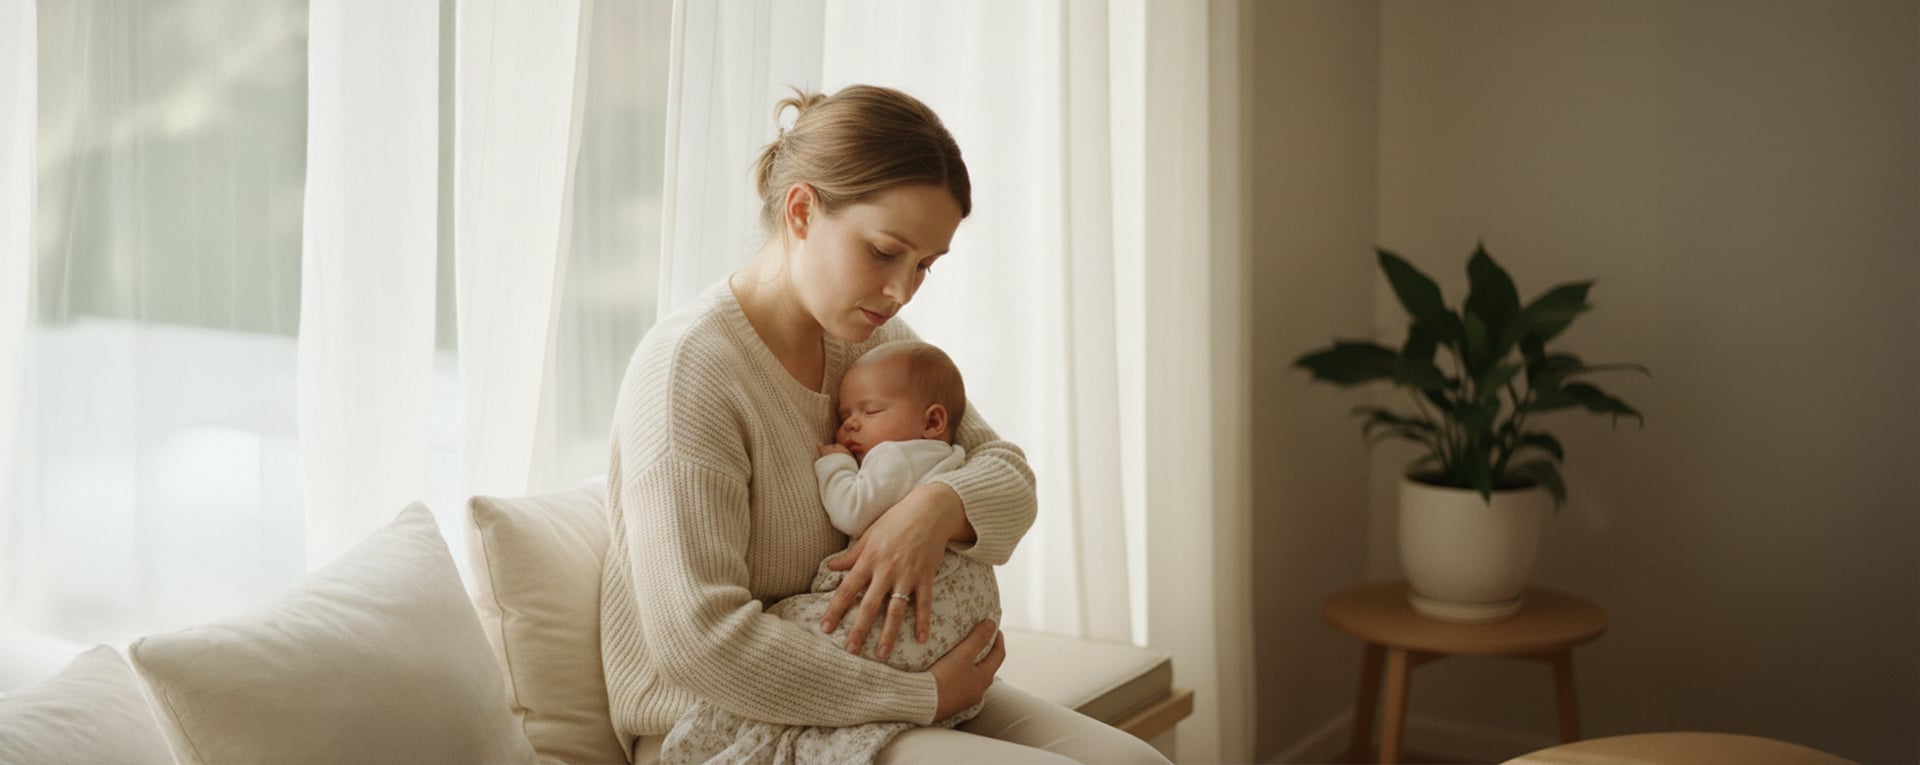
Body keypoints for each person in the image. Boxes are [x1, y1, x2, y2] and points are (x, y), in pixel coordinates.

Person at [600, 84, 1170, 765]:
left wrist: (935, 507)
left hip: (878, 679)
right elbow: (701, 642)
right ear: (802, 210)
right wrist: (920, 695)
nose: (902, 290)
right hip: (726, 724)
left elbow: (1010, 477)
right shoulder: (688, 372)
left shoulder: (869, 339)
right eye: (883, 251)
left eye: (924, 265)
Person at [659, 341, 1001, 764]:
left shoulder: (896, 454)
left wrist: (835, 465)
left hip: (927, 629)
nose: (850, 425)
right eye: (844, 416)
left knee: (794, 619)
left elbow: (853, 509)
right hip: (950, 650)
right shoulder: (947, 453)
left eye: (870, 412)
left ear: (933, 421)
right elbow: (703, 640)